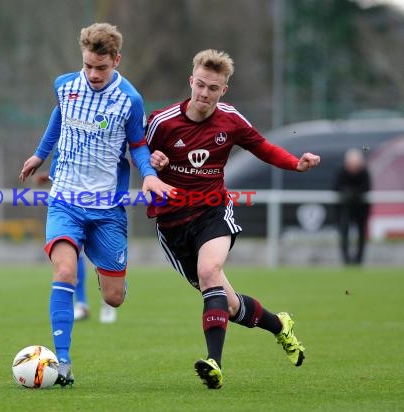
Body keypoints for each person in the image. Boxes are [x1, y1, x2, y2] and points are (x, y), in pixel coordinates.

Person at [145, 49, 321, 389]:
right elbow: (136, 154)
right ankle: (278, 325)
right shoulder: (162, 122)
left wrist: (294, 163)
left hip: (213, 211)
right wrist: (153, 163)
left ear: (224, 89)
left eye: (213, 88)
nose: (205, 94)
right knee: (227, 303)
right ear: (190, 81)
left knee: (210, 271)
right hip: (171, 224)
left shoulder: (230, 119)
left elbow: (263, 147)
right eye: (200, 85)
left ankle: (215, 363)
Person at [19, 22, 174, 387]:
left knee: (114, 298)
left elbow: (137, 144)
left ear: (116, 60)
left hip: (107, 209)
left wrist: (149, 174)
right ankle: (64, 364)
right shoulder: (65, 85)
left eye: (101, 67)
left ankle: (106, 266)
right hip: (65, 200)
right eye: (88, 65)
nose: (93, 74)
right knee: (65, 273)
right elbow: (59, 117)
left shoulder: (130, 100)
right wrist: (40, 155)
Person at [33, 172, 118, 323]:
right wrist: (50, 174)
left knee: (104, 255)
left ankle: (109, 297)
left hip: (103, 200)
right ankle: (82, 304)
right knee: (73, 253)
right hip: (72, 201)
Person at [333, 148, 371, 265]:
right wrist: (348, 193)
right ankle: (346, 261)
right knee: (344, 234)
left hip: (361, 210)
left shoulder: (364, 173)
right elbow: (336, 187)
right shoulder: (341, 172)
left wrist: (353, 193)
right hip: (345, 209)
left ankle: (359, 261)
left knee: (361, 235)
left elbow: (366, 188)